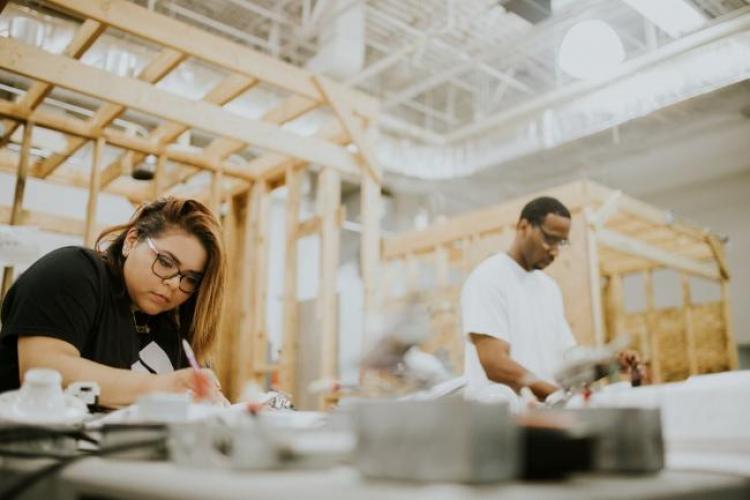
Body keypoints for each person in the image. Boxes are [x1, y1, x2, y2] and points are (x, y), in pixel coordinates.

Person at [0, 197, 227, 407]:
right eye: (165, 262)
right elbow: (44, 371)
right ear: (132, 241)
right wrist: (168, 386)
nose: (174, 284)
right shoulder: (74, 271)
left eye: (190, 278)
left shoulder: (173, 327)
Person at [461, 196, 577, 405]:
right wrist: (554, 394)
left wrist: (610, 364)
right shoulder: (489, 278)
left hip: (546, 416)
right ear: (523, 226)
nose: (555, 251)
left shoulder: (550, 288)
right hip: (503, 423)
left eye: (561, 242)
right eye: (549, 239)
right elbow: (495, 363)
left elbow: (568, 357)